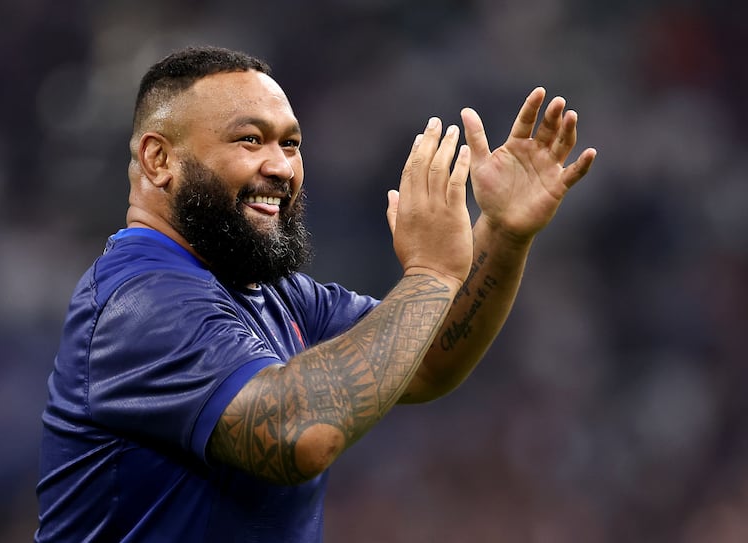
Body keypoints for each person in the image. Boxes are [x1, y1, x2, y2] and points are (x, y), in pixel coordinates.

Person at [35, 45, 596, 542]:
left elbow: (425, 360)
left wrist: (502, 233)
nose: (281, 167)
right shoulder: (140, 300)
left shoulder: (272, 294)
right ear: (159, 160)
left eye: (291, 143)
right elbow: (297, 434)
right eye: (250, 139)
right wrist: (430, 273)